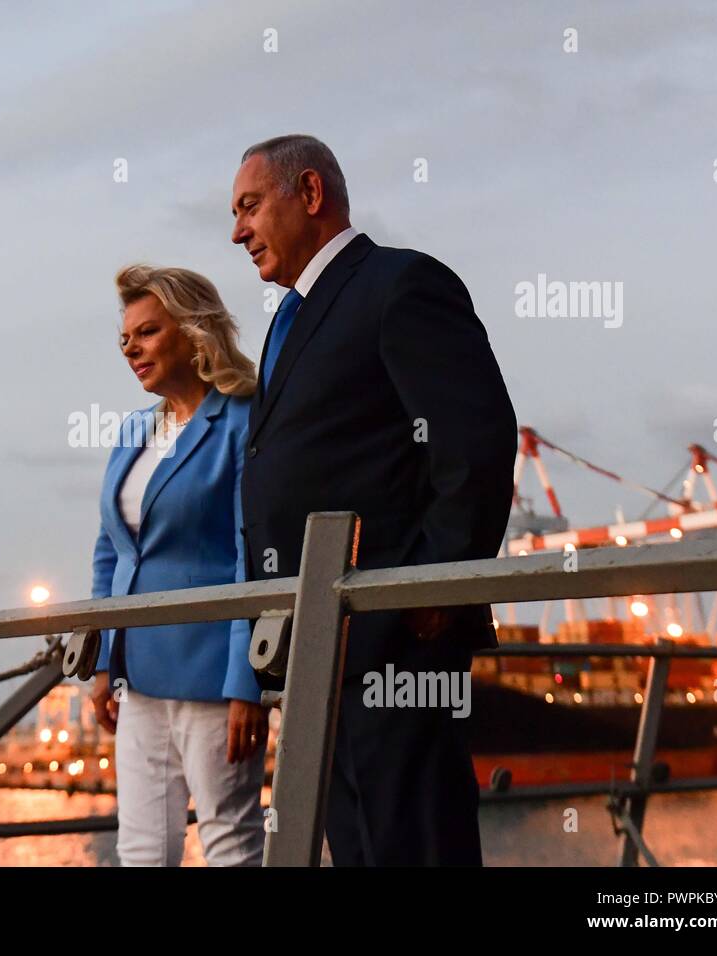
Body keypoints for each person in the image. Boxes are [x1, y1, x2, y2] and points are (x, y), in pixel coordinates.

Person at [231, 134, 517, 865]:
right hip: (320, 652)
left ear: (312, 194)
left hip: (397, 644)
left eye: (250, 207)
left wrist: (434, 586)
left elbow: (476, 442)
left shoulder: (401, 284)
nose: (237, 231)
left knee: (415, 848)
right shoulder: (287, 323)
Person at [88, 264, 267, 866]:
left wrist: (247, 680)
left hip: (214, 676)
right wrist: (100, 660)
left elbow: (252, 553)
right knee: (141, 849)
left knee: (230, 842)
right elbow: (110, 550)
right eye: (125, 339)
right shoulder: (133, 432)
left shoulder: (242, 421)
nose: (131, 349)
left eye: (147, 332)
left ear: (194, 333)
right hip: (137, 679)